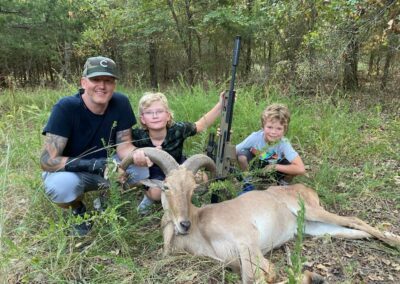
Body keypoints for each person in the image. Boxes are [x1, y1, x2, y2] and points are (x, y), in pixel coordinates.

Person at [40, 56, 151, 236]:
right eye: (96, 79)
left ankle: (106, 198)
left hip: (107, 166)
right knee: (61, 187)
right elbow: (47, 160)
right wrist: (95, 166)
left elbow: (124, 146)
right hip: (71, 171)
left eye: (108, 80)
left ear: (114, 84)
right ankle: (78, 209)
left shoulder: (121, 103)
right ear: (84, 82)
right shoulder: (66, 107)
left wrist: (137, 154)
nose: (102, 85)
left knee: (143, 170)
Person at [132, 91, 224, 214]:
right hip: (155, 173)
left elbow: (201, 125)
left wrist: (221, 104)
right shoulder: (137, 136)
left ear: (168, 115)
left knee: (202, 178)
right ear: (142, 119)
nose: (155, 116)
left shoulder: (178, 130)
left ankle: (185, 200)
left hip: (179, 167)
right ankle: (148, 198)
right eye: (149, 112)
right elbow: (123, 148)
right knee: (156, 193)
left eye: (159, 111)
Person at [236, 103, 305, 193]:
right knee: (242, 156)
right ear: (263, 127)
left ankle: (283, 184)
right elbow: (235, 150)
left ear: (285, 130)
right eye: (269, 127)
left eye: (279, 129)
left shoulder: (284, 143)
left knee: (291, 166)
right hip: (257, 166)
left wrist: (275, 166)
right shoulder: (255, 137)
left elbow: (301, 169)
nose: (273, 132)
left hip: (274, 168)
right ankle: (248, 181)